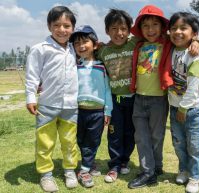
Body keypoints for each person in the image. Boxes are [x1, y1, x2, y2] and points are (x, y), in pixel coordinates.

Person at [128, 5, 199, 189]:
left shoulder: (167, 44)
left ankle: (156, 166)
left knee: (157, 136)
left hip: (159, 99)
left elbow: (183, 37)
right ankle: (148, 171)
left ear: (162, 28)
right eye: (146, 26)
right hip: (139, 98)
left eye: (155, 25)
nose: (150, 29)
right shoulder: (138, 45)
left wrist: (196, 42)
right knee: (142, 137)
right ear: (140, 29)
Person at [25, 6, 78, 192]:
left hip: (71, 105)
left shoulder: (75, 49)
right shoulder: (40, 49)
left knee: (69, 142)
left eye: (67, 25)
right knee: (45, 142)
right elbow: (32, 76)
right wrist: (31, 97)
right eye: (57, 25)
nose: (62, 30)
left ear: (73, 28)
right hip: (47, 104)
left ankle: (70, 170)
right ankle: (46, 175)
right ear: (49, 26)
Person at [96, 9, 137, 183]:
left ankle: (124, 161)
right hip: (114, 101)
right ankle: (114, 165)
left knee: (131, 133)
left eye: (123, 28)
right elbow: (84, 53)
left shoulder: (135, 44)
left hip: (134, 99)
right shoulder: (102, 52)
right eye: (114, 28)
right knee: (114, 133)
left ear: (129, 30)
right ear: (107, 31)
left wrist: (195, 40)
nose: (119, 33)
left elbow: (161, 38)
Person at [69, 25, 113, 188]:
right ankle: (89, 163)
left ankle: (84, 170)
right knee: (80, 140)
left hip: (97, 112)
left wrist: (107, 110)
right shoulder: (74, 67)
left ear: (94, 45)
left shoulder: (102, 67)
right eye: (77, 43)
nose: (81, 46)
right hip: (78, 111)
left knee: (93, 141)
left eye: (85, 42)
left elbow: (108, 90)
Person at [168, 12, 199, 193]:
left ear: (194, 34)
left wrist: (183, 108)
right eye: (174, 28)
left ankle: (195, 176)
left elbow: (193, 86)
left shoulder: (195, 56)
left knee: (195, 145)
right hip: (174, 107)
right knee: (178, 143)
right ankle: (183, 169)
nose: (178, 32)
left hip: (192, 109)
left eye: (183, 28)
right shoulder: (169, 49)